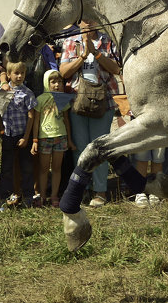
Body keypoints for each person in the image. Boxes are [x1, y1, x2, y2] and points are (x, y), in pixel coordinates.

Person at [60, 19, 122, 207]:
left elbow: (116, 68)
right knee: (79, 147)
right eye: (84, 21)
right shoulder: (70, 41)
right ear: (79, 23)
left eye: (92, 19)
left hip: (103, 100)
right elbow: (63, 72)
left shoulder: (107, 40)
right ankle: (81, 189)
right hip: (77, 100)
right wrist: (82, 56)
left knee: (99, 147)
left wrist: (95, 53)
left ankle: (100, 191)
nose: (88, 24)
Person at [0, 60, 37, 210]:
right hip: (8, 134)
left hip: (21, 135)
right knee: (6, 167)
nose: (19, 76)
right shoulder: (3, 91)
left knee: (26, 167)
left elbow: (31, 115)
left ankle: (28, 197)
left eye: (22, 73)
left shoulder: (27, 93)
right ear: (8, 75)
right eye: (16, 73)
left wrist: (26, 137)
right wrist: (1, 129)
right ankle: (5, 197)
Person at [33, 69, 73, 207]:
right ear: (46, 83)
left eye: (60, 82)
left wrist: (70, 140)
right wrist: (35, 140)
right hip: (45, 138)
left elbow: (67, 120)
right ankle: (42, 196)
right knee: (44, 169)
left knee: (57, 168)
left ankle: (54, 195)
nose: (57, 85)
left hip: (60, 137)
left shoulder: (63, 100)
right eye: (53, 82)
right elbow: (36, 121)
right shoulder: (40, 99)